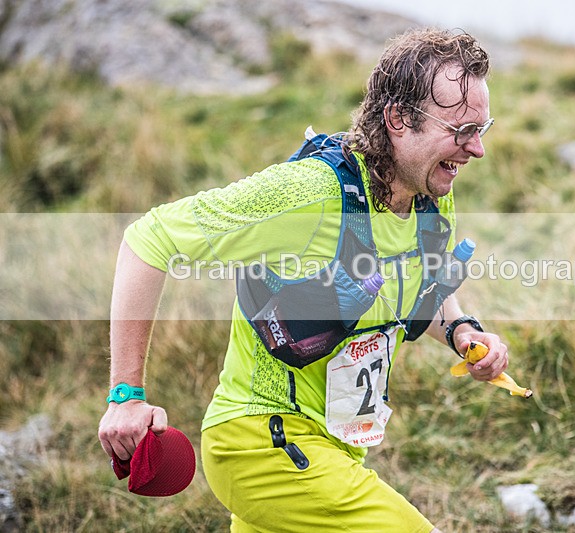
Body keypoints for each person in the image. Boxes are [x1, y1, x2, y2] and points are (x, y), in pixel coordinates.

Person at [98, 27, 509, 533]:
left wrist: (463, 331)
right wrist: (125, 395)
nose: (477, 150)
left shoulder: (430, 192)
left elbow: (429, 278)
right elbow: (147, 240)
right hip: (263, 446)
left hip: (337, 452)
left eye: (481, 129)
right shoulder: (308, 193)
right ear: (398, 119)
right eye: (460, 131)